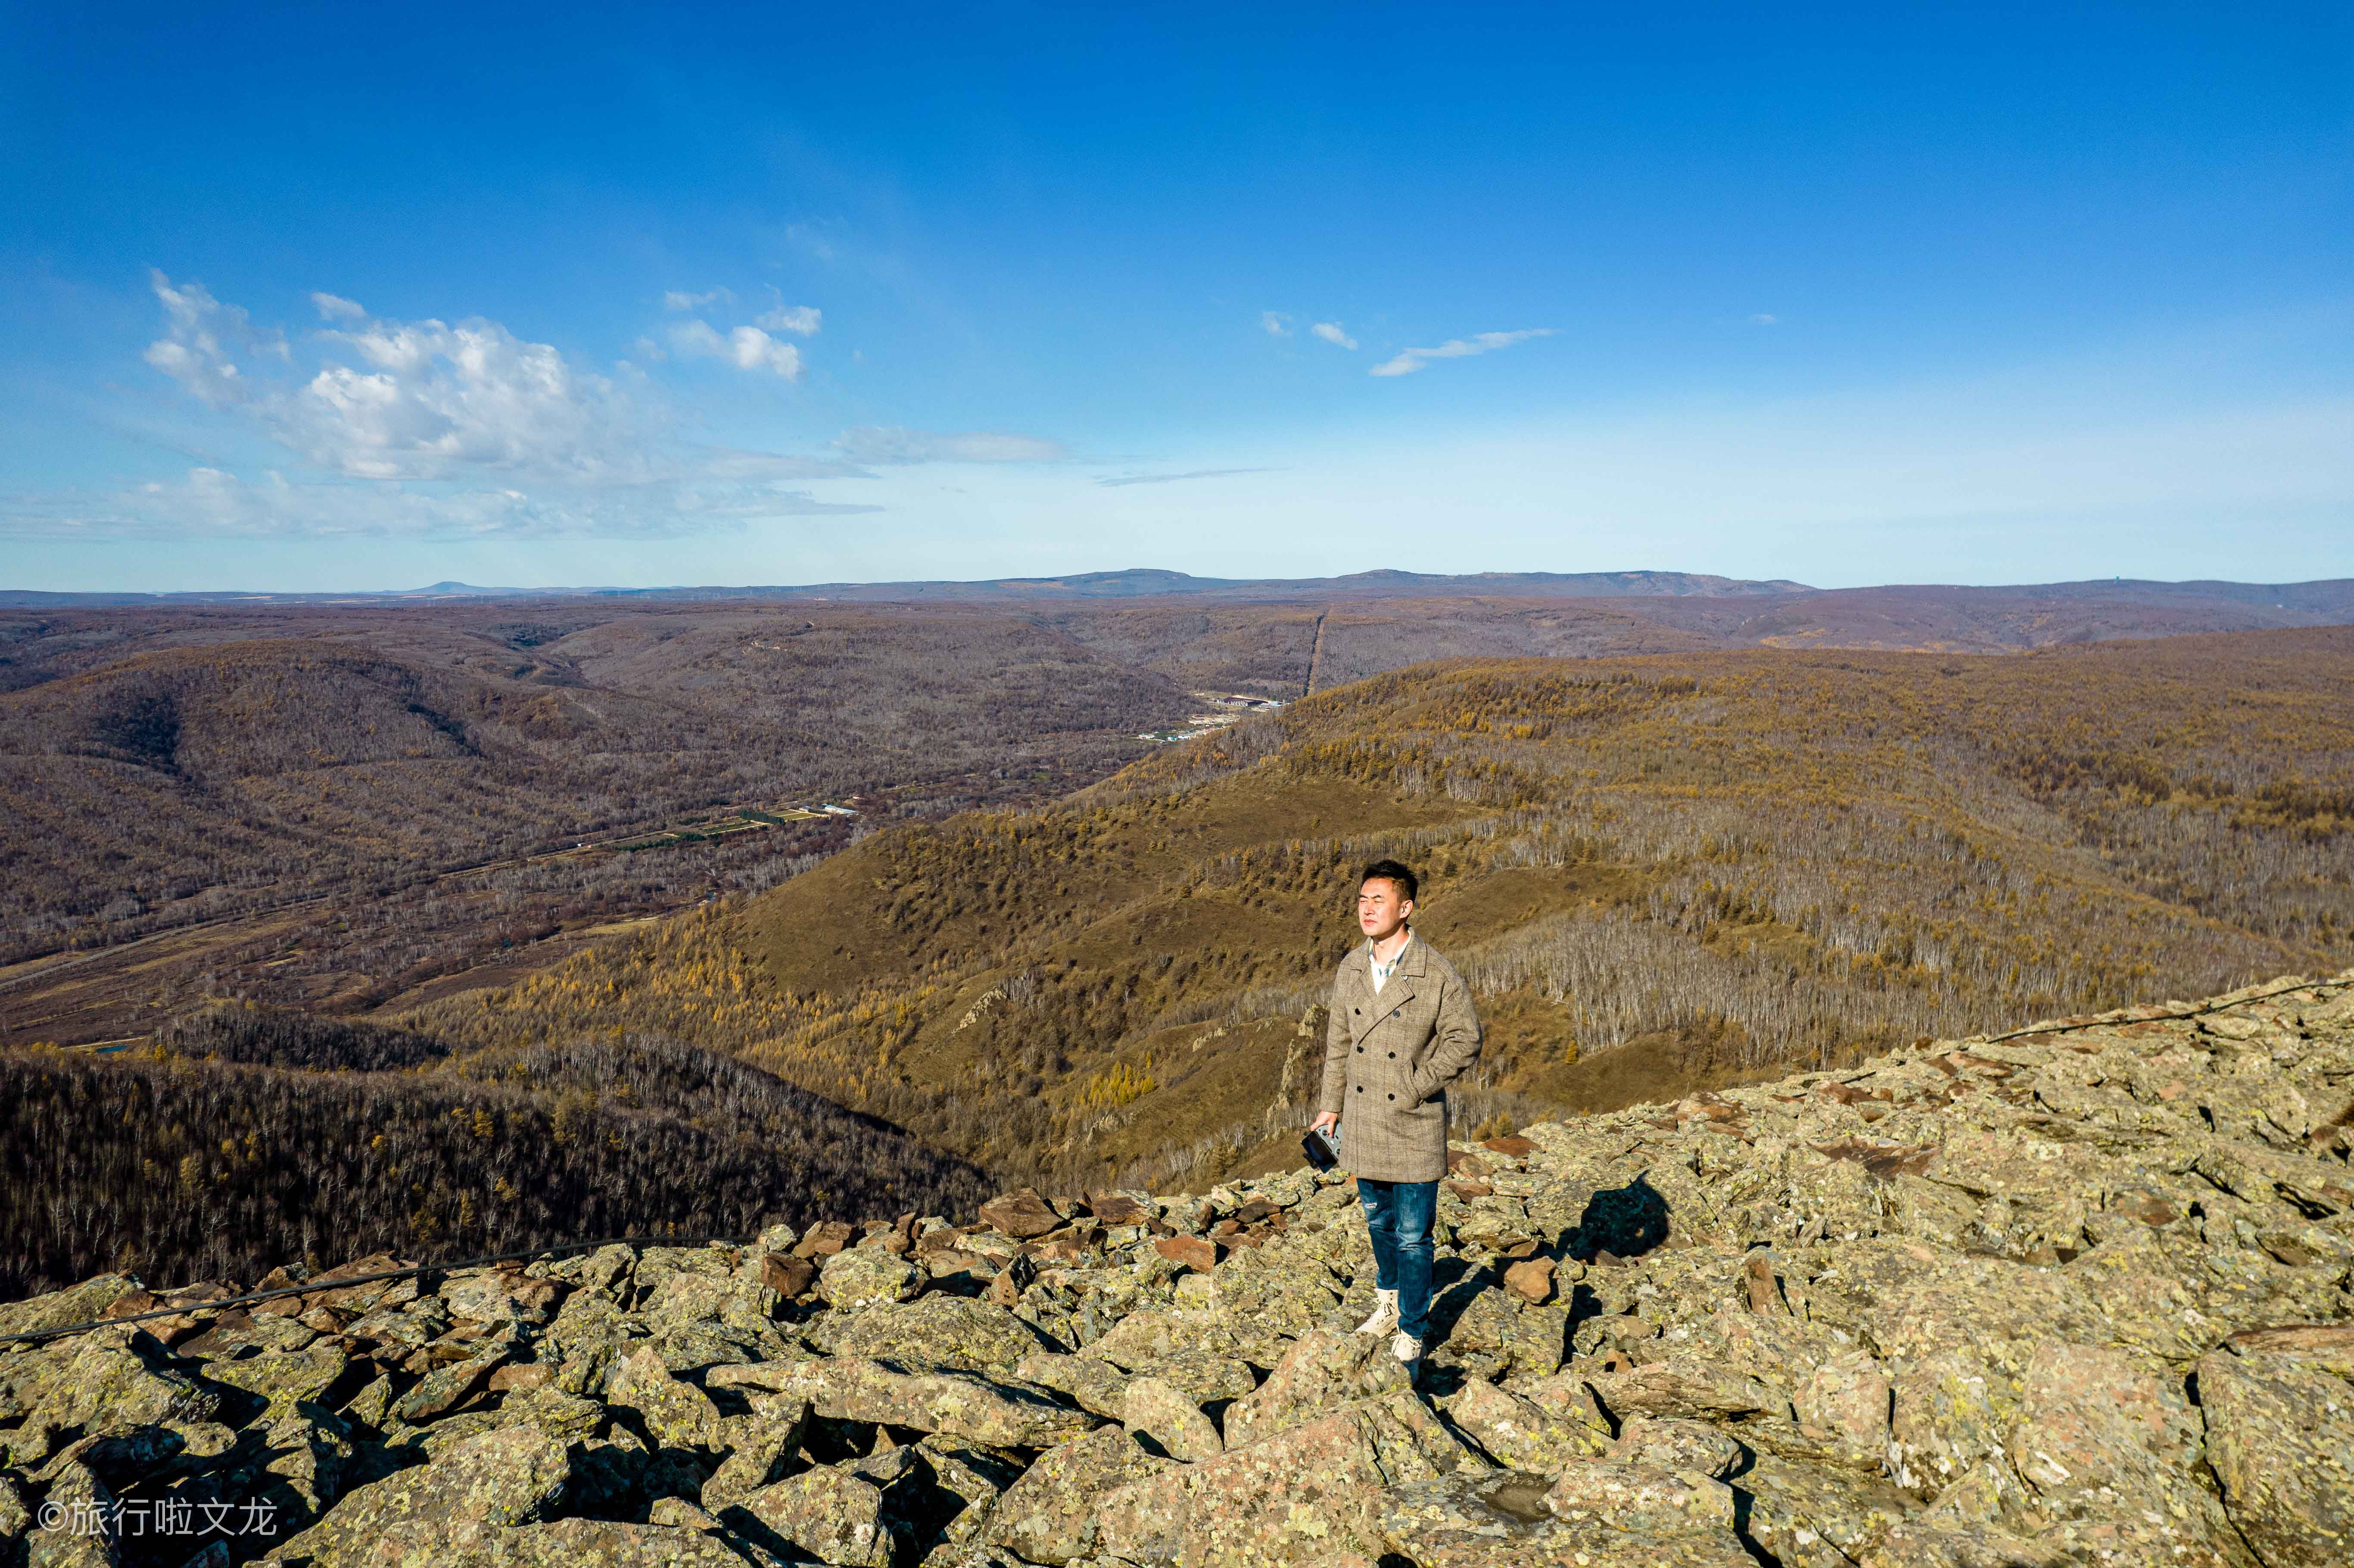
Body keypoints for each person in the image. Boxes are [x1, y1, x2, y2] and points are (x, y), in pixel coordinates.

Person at [1308, 858, 1482, 1373]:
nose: (1366, 909)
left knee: (1413, 1234)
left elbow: (1465, 1038)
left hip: (1411, 1122)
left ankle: (1412, 1327)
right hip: (1361, 1116)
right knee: (1376, 1218)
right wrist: (1329, 1107)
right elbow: (1338, 1042)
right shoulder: (1351, 967)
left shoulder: (1435, 972)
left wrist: (1414, 1086)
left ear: (1405, 908)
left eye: (1378, 900)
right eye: (1362, 899)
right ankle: (1386, 1301)